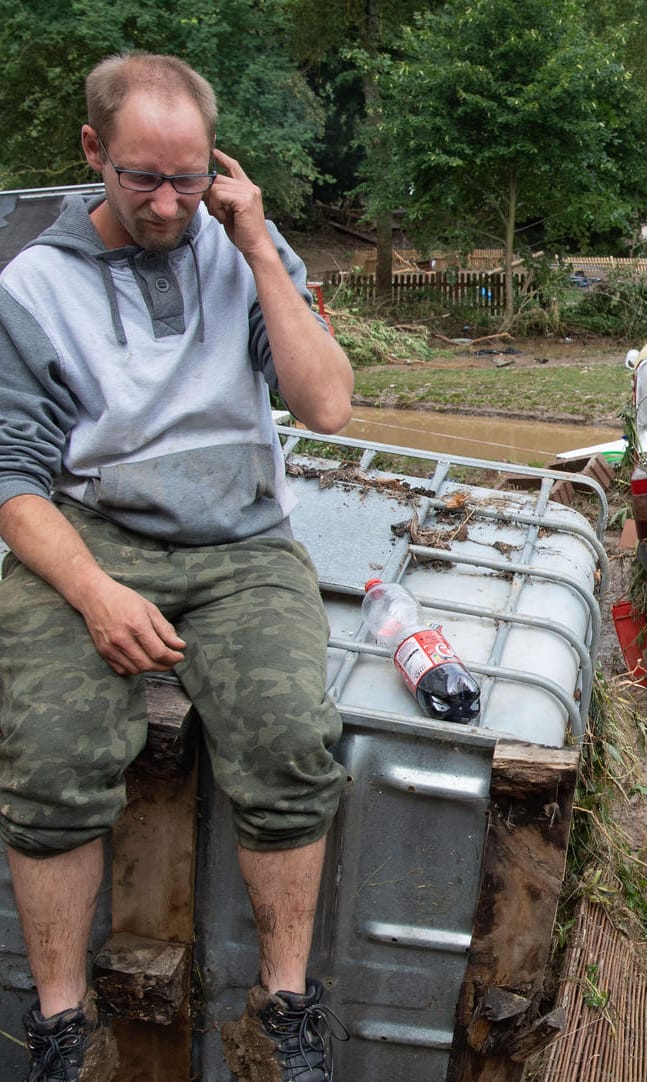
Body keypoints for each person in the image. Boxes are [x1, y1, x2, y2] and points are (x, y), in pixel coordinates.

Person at [0, 52, 353, 1082]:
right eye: (141, 177)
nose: (166, 204)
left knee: (292, 737)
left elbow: (326, 404)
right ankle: (64, 1024)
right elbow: (14, 483)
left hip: (241, 540)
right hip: (93, 532)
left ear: (218, 165)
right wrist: (96, 594)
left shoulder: (243, 244)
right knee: (53, 749)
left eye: (189, 178)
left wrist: (253, 245)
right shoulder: (31, 288)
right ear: (92, 152)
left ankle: (284, 1009)